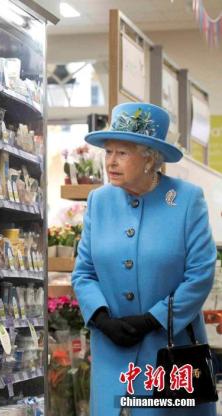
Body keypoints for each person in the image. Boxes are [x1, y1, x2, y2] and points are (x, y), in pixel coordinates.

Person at [71, 102, 217, 416]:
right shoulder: (99, 201)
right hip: (111, 351)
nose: (111, 161)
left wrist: (154, 318)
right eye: (108, 152)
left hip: (168, 350)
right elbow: (84, 272)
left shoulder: (186, 199)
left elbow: (200, 274)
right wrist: (101, 318)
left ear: (150, 158)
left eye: (122, 153)